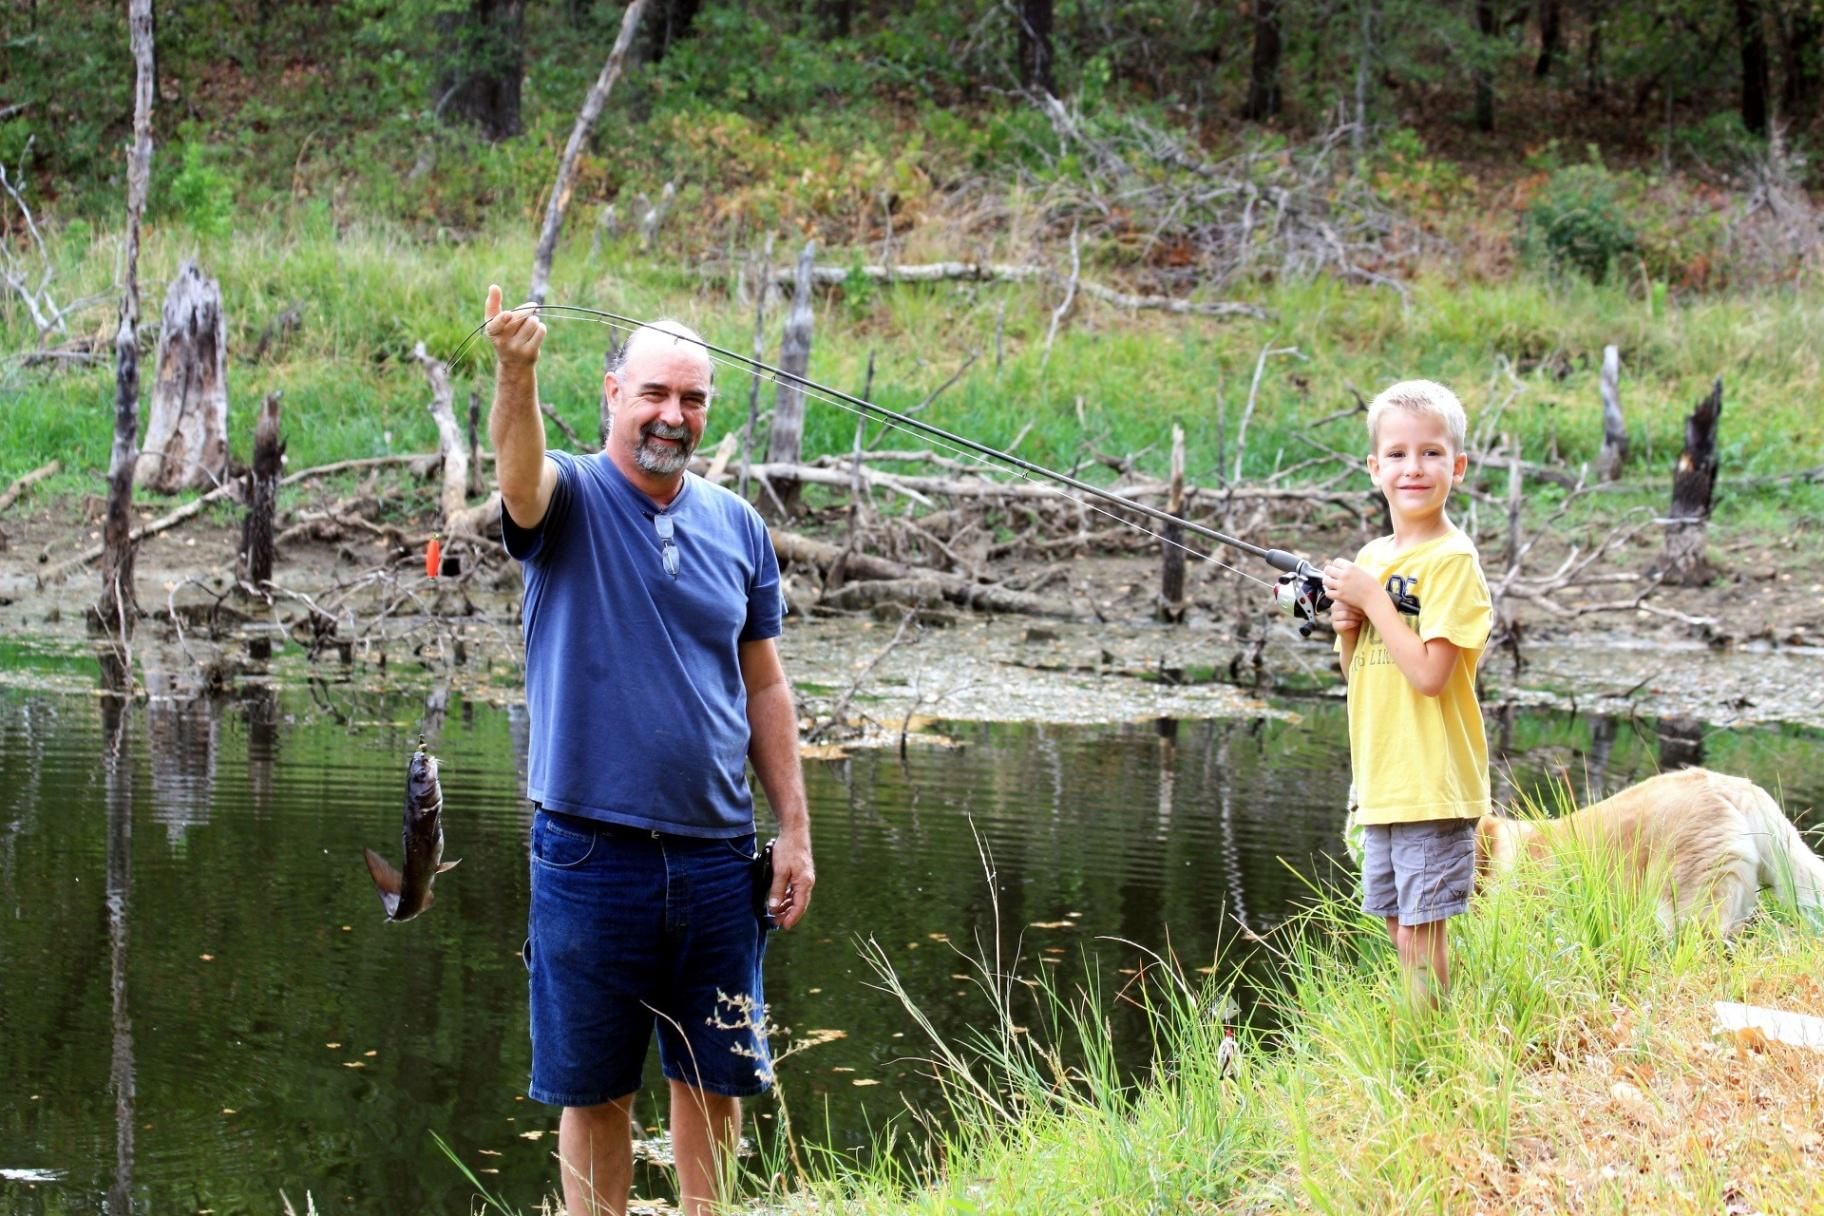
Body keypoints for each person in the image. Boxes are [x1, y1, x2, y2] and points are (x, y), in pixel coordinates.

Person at [483, 284, 814, 1216]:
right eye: (655, 394)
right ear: (613, 394)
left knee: (716, 1080)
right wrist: (517, 370)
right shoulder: (571, 499)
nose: (673, 416)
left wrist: (793, 828)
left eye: (694, 399)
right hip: (589, 853)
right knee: (594, 1092)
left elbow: (764, 685)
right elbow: (518, 478)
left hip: (718, 857)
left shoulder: (738, 525)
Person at [1319, 379, 1491, 1011]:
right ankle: (1429, 1039)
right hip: (1384, 781)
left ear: (1458, 467)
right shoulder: (1374, 555)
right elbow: (1361, 671)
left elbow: (1429, 675)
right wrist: (1347, 627)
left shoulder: (1453, 561)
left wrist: (1370, 600)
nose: (1412, 468)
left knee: (1421, 933)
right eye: (1396, 454)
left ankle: (1431, 1051)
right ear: (1374, 468)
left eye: (1431, 453)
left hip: (1431, 777)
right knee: (1398, 925)